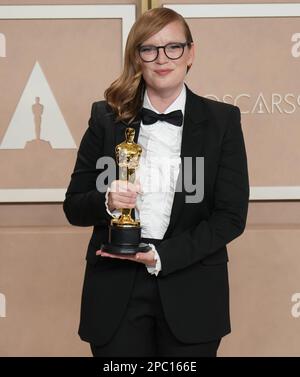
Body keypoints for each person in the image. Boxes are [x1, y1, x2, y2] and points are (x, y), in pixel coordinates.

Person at [63, 7, 249, 357]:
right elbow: (74, 206)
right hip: (115, 292)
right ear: (137, 57)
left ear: (191, 53)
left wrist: (161, 256)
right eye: (149, 49)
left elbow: (231, 217)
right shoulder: (106, 118)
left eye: (173, 47)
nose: (162, 58)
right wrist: (107, 201)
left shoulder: (222, 121)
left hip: (191, 289)